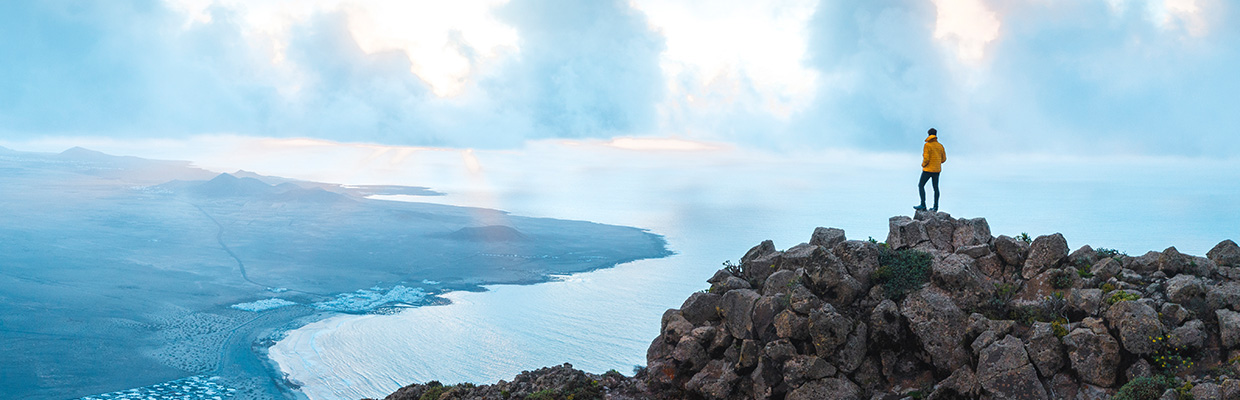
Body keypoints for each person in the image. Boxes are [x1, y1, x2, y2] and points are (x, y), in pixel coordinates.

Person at [914, 128, 946, 212]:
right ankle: (935, 207)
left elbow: (926, 158)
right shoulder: (940, 146)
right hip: (937, 170)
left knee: (921, 185)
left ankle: (923, 205)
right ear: (936, 135)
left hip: (928, 169)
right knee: (935, 188)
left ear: (928, 134)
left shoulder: (927, 145)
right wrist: (937, 162)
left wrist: (923, 165)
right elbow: (944, 159)